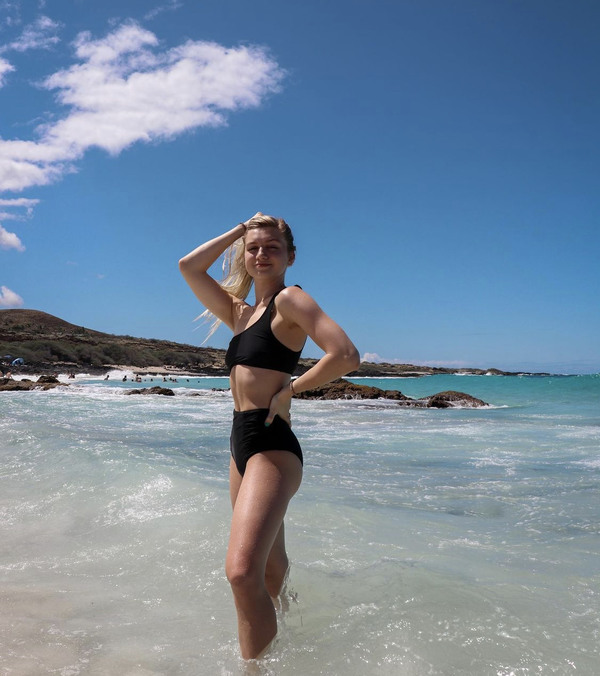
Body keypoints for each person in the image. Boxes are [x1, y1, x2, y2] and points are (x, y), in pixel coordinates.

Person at [179, 212, 359, 660]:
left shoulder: (290, 300)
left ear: (290, 257)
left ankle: (254, 670)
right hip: (240, 442)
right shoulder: (240, 313)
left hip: (272, 443)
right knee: (270, 569)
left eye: (272, 248)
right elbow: (189, 267)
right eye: (253, 248)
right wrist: (239, 231)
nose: (261, 254)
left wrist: (291, 389)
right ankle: (292, 644)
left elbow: (345, 354)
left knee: (242, 573)